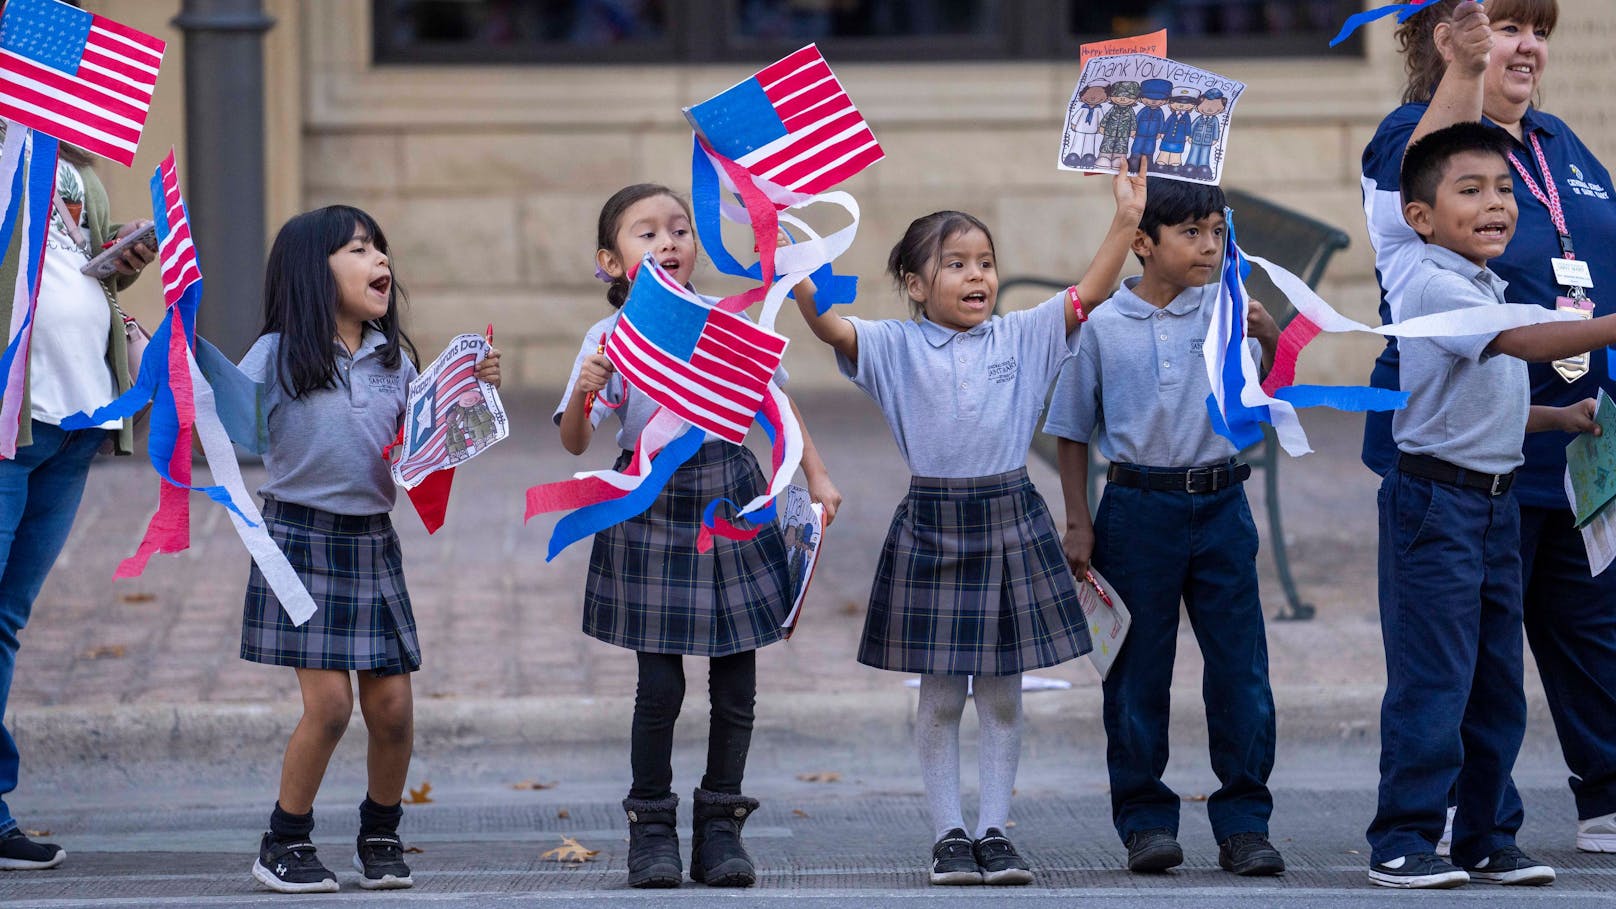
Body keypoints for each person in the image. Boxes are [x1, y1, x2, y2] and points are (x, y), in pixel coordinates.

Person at [793, 163, 1146, 887]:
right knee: (943, 692)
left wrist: (1123, 218)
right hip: (932, 522)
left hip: (1010, 515)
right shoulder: (891, 345)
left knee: (1002, 693)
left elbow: (1089, 293)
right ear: (917, 286)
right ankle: (948, 832)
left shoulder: (1023, 335)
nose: (975, 275)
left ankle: (994, 831)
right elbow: (827, 323)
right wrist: (792, 268)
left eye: (984, 262)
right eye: (954, 264)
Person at [1360, 0, 1616, 857]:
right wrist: (1462, 72)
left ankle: (1497, 832)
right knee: (1445, 671)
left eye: (1539, 29)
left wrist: (1575, 410)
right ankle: (1411, 832)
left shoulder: (1559, 147)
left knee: (1533, 661)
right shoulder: (1418, 154)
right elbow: (1507, 328)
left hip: (1552, 452)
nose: (1529, 45)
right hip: (1446, 477)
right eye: (1510, 25)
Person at [556, 183, 841, 890]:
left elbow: (777, 404)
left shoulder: (723, 319)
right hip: (650, 501)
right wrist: (587, 389)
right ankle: (651, 827)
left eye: (679, 229)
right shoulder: (607, 340)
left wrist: (819, 477)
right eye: (646, 233)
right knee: (658, 682)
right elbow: (572, 440)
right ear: (610, 261)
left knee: (736, 677)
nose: (669, 243)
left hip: (732, 496)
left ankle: (721, 825)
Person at [238, 205, 501, 893]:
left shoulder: (395, 359)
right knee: (328, 706)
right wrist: (163, 355)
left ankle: (379, 832)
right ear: (309, 271)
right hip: (299, 539)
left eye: (380, 248)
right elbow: (214, 412)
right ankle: (284, 840)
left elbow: (426, 448)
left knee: (392, 710)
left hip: (371, 542)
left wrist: (470, 396)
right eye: (359, 249)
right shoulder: (276, 355)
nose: (380, 260)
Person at [1046, 177, 1285, 878]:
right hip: (1136, 511)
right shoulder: (1101, 325)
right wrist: (1079, 522)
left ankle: (1244, 821)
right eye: (1190, 232)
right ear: (1143, 243)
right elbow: (1070, 429)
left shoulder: (1230, 310)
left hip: (1221, 504)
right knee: (1136, 673)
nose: (1208, 245)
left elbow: (1269, 396)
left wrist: (1270, 339)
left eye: (1216, 230)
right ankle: (1146, 819)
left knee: (1240, 671)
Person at [0, 132, 154, 871]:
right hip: (11, 417)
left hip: (76, 418)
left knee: (6, 615)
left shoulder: (76, 170)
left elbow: (68, 272)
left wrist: (116, 263)